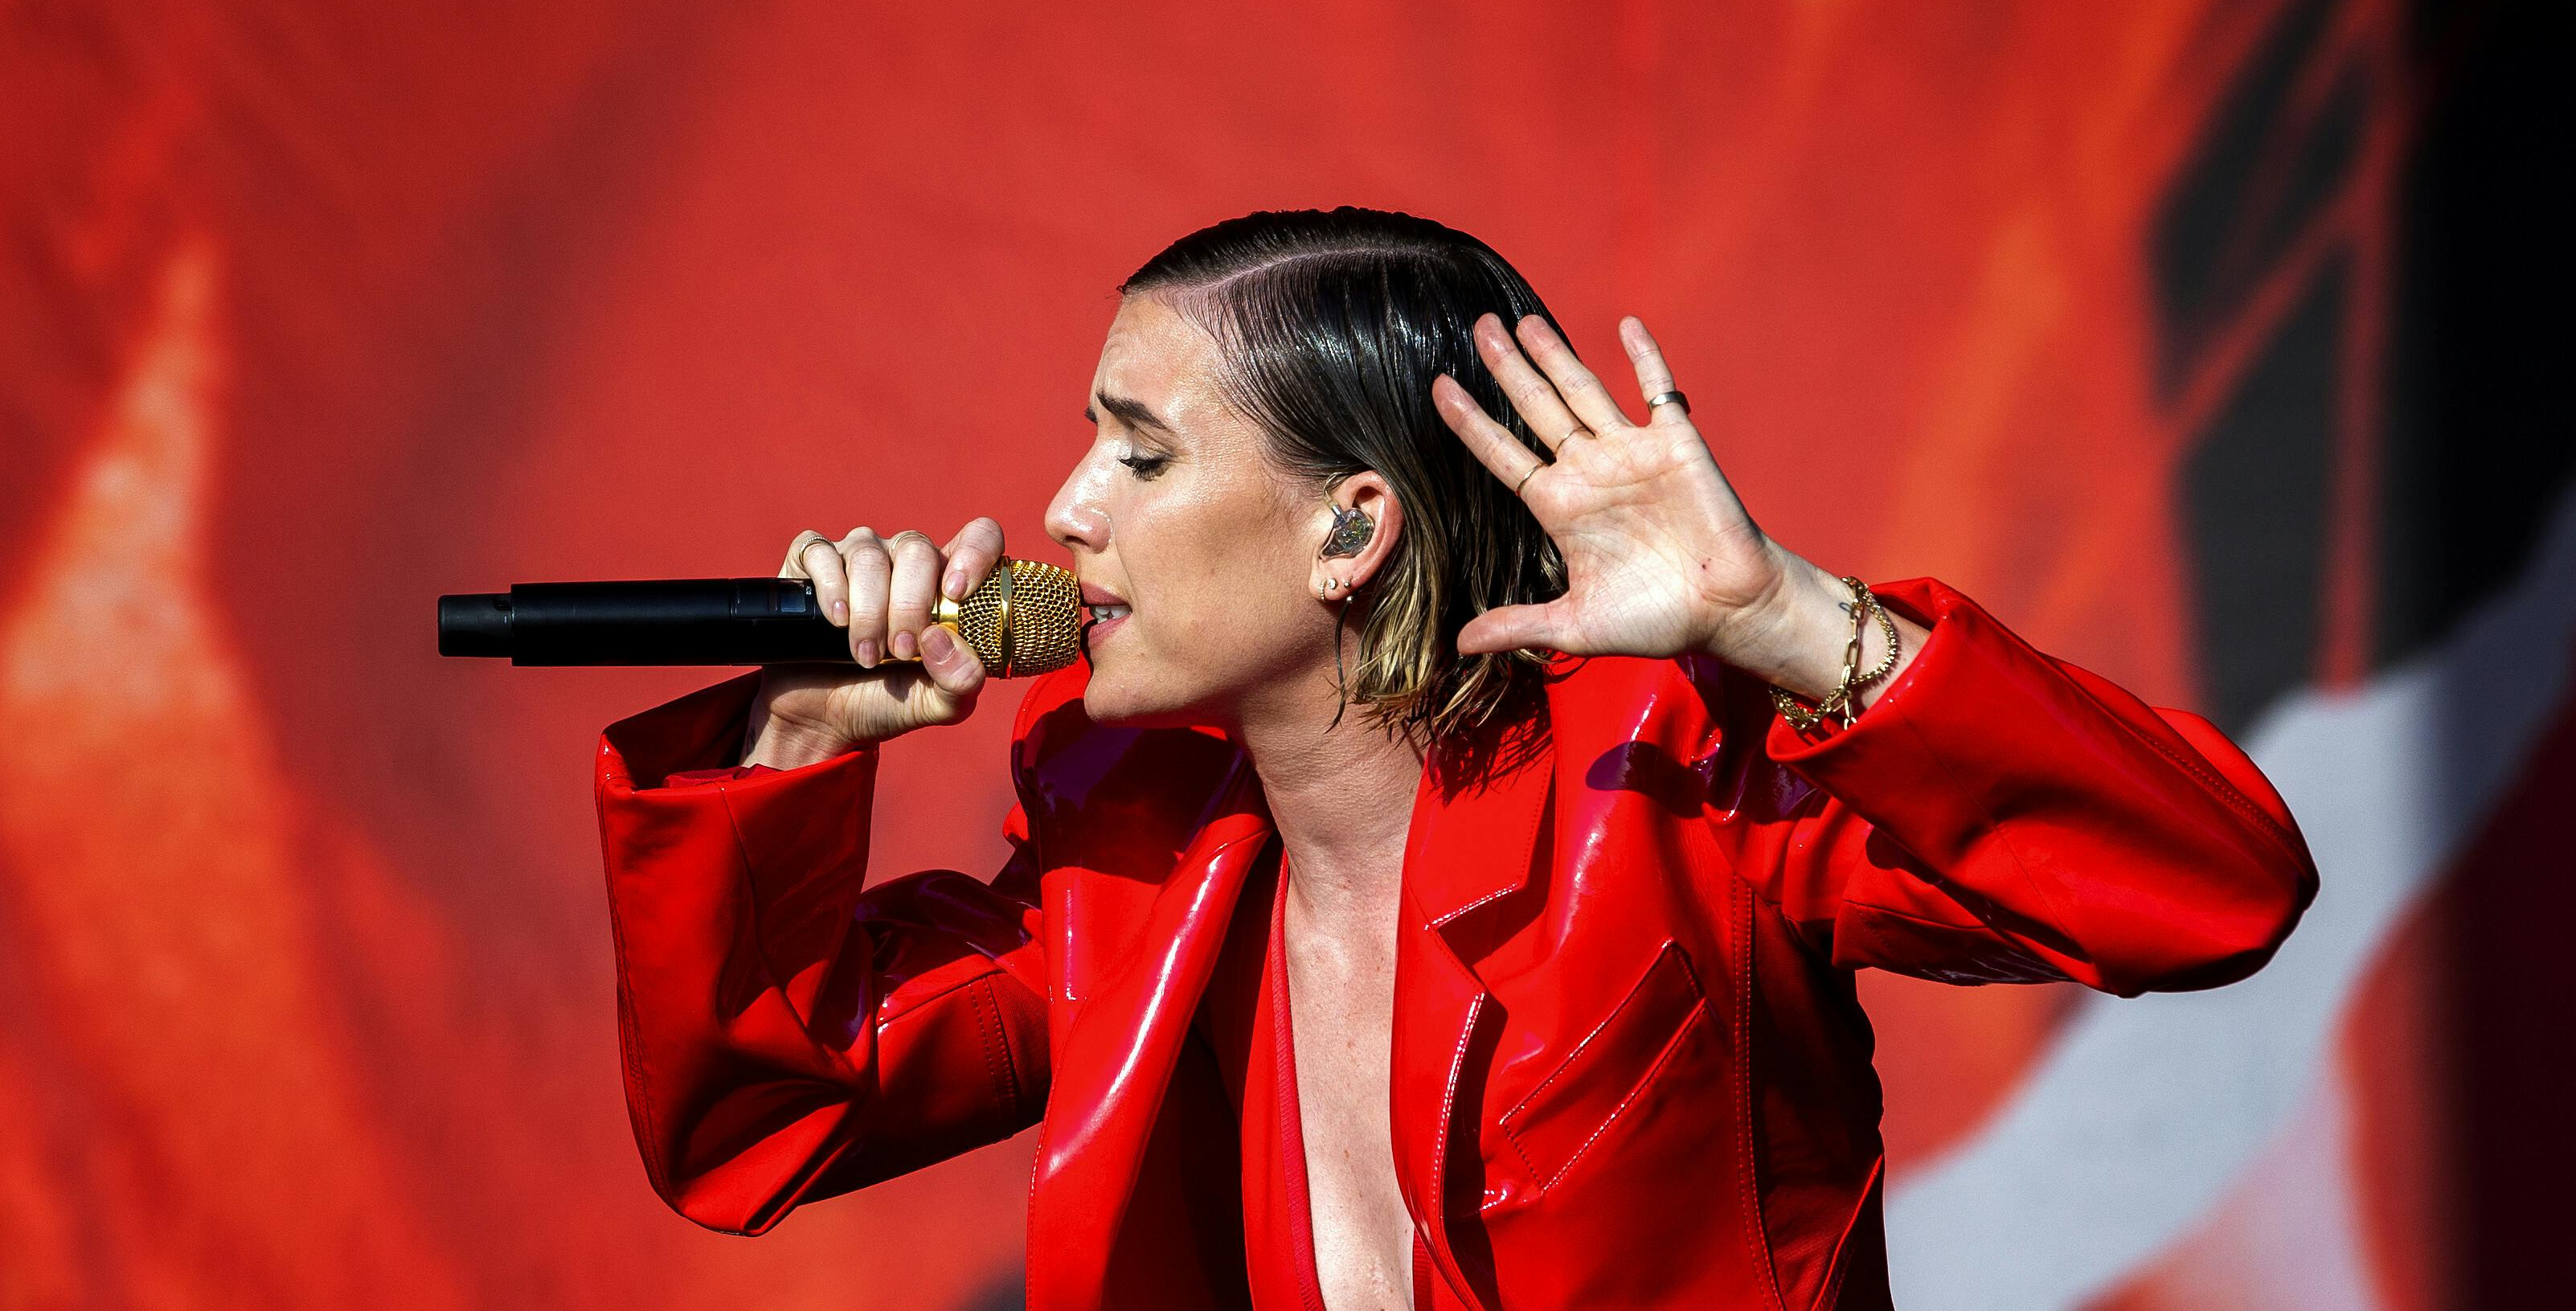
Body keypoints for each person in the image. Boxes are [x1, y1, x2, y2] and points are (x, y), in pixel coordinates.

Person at [591, 208, 2317, 1311]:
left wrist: (1788, 617)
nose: (1062, 510)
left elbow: (2214, 888)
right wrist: (802, 732)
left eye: (1136, 453)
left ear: (1352, 526)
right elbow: (770, 1111)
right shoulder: (1132, 848)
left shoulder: (1677, 783)